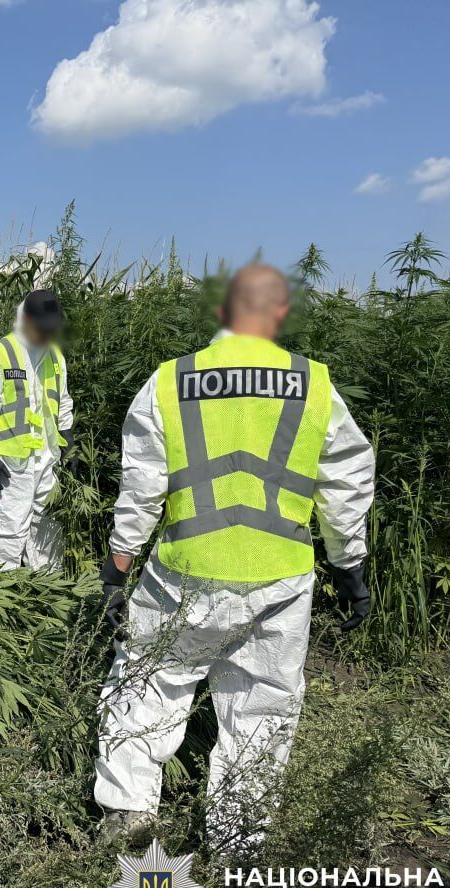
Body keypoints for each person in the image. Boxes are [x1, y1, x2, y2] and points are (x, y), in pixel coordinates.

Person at [93, 265, 375, 847]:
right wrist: (350, 568)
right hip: (282, 577)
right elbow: (345, 483)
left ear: (222, 313)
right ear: (277, 315)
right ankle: (235, 841)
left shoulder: (171, 381)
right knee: (263, 707)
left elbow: (142, 485)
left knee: (148, 683)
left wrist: (118, 568)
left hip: (185, 573)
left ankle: (128, 810)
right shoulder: (314, 384)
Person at [0, 290, 76, 571]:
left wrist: (70, 445)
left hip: (48, 459)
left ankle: (44, 594)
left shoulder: (55, 356)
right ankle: (3, 593)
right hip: (10, 462)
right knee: (5, 528)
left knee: (47, 529)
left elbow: (63, 401)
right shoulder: (2, 352)